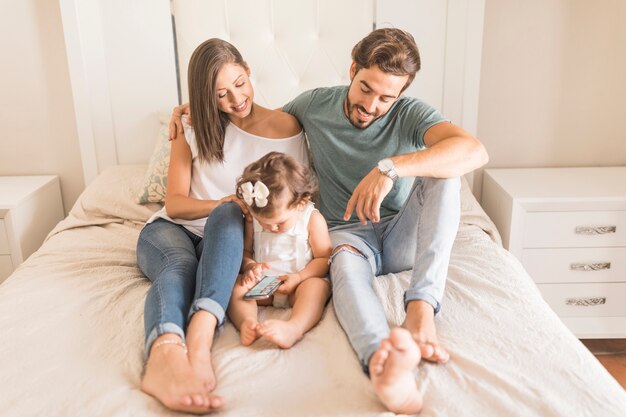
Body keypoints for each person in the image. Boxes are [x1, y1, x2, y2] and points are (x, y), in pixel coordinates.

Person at [170, 28, 488, 414]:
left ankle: (420, 312)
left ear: (400, 94)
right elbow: (251, 117)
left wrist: (390, 169)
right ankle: (379, 363)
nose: (371, 105)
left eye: (386, 97)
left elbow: (473, 150)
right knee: (342, 279)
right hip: (345, 238)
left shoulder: (410, 114)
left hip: (403, 234)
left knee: (447, 173)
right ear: (352, 70)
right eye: (365, 89)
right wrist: (192, 108)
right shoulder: (311, 106)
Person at [136, 38, 308, 414]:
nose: (235, 100)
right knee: (181, 266)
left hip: (228, 235)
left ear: (248, 71)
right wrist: (223, 202)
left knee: (232, 215)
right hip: (173, 229)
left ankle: (198, 342)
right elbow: (175, 203)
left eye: (239, 85)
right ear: (204, 98)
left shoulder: (288, 128)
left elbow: (292, 196)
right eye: (219, 95)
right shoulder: (190, 124)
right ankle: (164, 357)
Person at [228, 152, 331, 348]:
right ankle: (247, 322)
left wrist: (299, 278)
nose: (270, 229)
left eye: (278, 224)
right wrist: (250, 266)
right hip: (263, 290)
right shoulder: (254, 220)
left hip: (298, 285)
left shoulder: (311, 219)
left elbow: (324, 258)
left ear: (300, 202)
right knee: (236, 287)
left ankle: (294, 327)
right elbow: (246, 253)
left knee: (317, 287)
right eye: (263, 223)